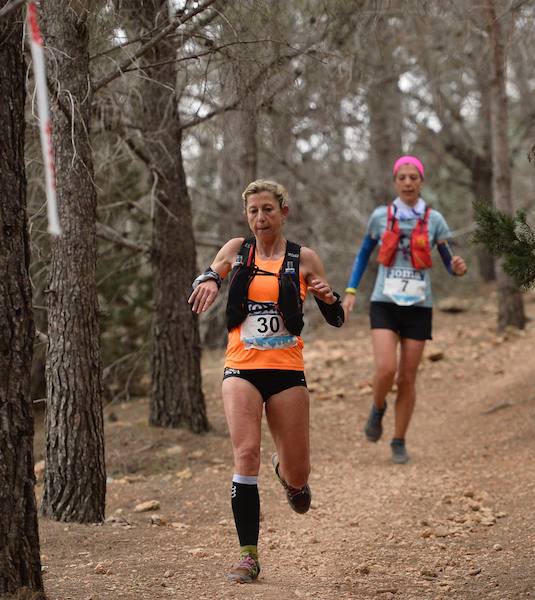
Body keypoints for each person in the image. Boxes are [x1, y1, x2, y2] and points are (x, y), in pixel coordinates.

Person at [188, 179, 344, 584]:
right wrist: (206, 281)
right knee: (246, 454)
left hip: (287, 370)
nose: (260, 217)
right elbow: (211, 272)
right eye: (254, 210)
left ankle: (290, 477)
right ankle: (248, 556)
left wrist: (328, 298)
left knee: (298, 472)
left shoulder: (303, 258)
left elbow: (337, 317)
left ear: (283, 212)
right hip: (241, 366)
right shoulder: (237, 249)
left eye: (268, 210)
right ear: (247, 215)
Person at [342, 155, 467, 464]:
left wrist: (457, 268)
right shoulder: (380, 217)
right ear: (395, 182)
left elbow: (450, 262)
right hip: (384, 302)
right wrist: (350, 290)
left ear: (421, 182)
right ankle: (378, 406)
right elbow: (362, 256)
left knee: (408, 378)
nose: (408, 182)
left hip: (419, 306)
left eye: (414, 177)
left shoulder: (435, 220)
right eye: (403, 177)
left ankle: (398, 440)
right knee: (386, 368)